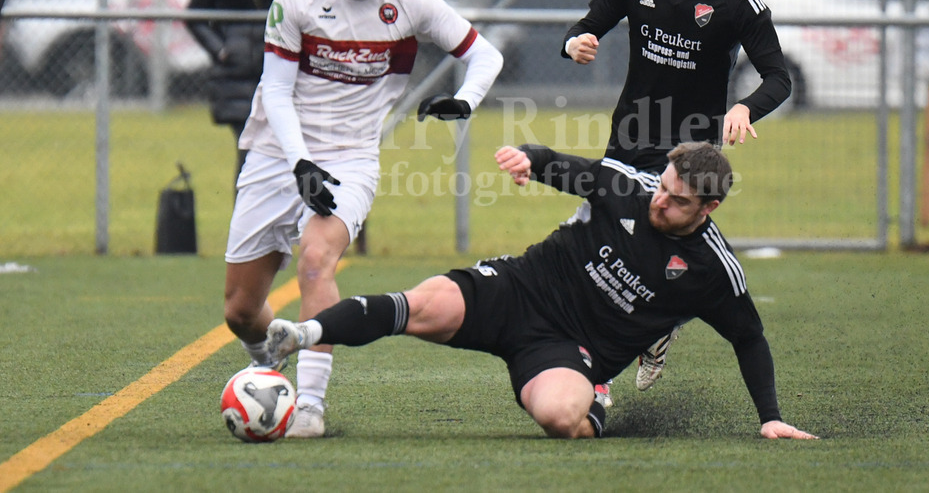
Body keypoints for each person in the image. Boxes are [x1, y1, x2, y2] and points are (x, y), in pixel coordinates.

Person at [263, 141, 817, 441]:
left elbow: (749, 338)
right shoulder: (629, 187)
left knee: (559, 418)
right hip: (520, 288)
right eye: (664, 187)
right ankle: (301, 334)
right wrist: (529, 159)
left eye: (678, 201)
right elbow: (562, 165)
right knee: (423, 302)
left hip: (570, 349)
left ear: (709, 208)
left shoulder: (713, 271)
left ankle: (592, 400)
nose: (660, 201)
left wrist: (769, 416)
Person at [223, 0, 503, 439]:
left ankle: (309, 407)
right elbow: (275, 91)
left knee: (316, 261)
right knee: (240, 311)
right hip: (278, 153)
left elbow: (484, 55)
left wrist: (464, 100)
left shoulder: (411, 1)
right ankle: (267, 360)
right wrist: (300, 163)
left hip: (350, 158)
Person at [562, 0, 792, 397]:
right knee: (600, 240)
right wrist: (574, 43)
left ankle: (601, 373)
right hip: (630, 134)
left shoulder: (738, 1)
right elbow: (586, 25)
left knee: (644, 241)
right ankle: (652, 328)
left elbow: (779, 77)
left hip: (690, 150)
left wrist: (744, 108)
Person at [186, 0, 298, 179]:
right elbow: (194, 16)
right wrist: (221, 50)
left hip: (276, 70)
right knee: (251, 152)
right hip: (236, 76)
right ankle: (247, 209)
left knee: (280, 153)